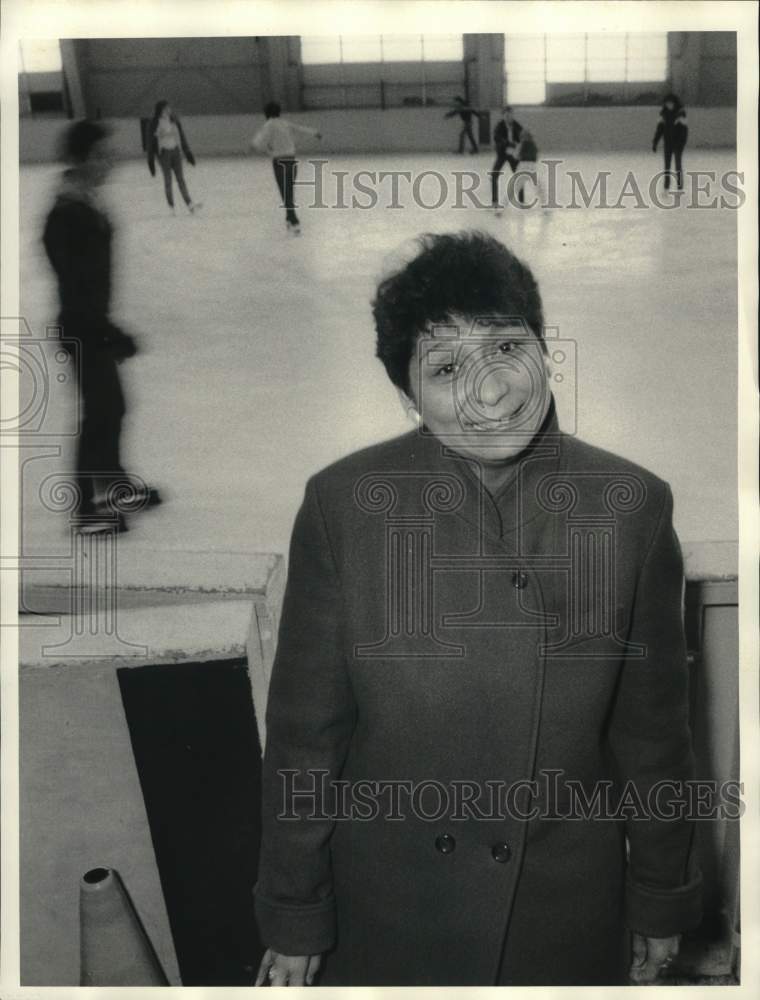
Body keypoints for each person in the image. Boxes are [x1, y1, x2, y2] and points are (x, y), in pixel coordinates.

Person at [253, 231, 702, 986]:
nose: (489, 391)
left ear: (543, 347)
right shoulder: (345, 507)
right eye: (446, 367)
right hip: (394, 905)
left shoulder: (632, 509)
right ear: (406, 396)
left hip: (558, 909)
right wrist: (297, 913)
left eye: (506, 348)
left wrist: (661, 897)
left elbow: (652, 737)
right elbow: (305, 740)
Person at [43, 120, 160, 533]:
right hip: (82, 327)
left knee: (113, 408)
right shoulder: (66, 215)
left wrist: (108, 326)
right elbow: (77, 286)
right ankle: (85, 511)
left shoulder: (85, 202)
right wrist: (104, 330)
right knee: (100, 414)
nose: (112, 161)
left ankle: (114, 486)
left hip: (92, 323)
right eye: (103, 155)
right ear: (83, 159)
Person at [250, 102, 322, 235]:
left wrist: (259, 147)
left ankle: (294, 219)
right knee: (289, 191)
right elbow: (300, 129)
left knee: (285, 191)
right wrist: (315, 133)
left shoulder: (269, 124)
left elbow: (258, 142)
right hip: (291, 160)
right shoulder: (285, 123)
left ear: (266, 113)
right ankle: (289, 217)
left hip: (279, 161)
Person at [147, 100, 202, 214]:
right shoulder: (155, 123)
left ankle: (190, 204)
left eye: (169, 108)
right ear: (161, 109)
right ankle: (171, 206)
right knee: (168, 180)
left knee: (181, 179)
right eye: (166, 108)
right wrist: (150, 159)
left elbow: (181, 137)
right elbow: (150, 141)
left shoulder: (174, 121)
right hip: (164, 154)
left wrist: (187, 152)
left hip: (175, 151)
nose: (169, 110)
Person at [652, 93, 688, 192]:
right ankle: (666, 187)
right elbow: (659, 129)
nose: (669, 105)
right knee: (666, 166)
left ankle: (680, 187)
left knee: (678, 165)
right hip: (668, 143)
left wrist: (681, 142)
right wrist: (655, 142)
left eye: (670, 103)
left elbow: (684, 130)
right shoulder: (663, 113)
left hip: (678, 144)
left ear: (674, 103)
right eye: (667, 103)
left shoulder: (681, 113)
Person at [491, 106, 523, 210]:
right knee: (494, 175)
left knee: (519, 175)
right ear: (503, 116)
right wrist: (508, 143)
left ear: (513, 115)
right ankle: (494, 202)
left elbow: (523, 137)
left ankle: (521, 201)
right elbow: (497, 137)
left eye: (510, 114)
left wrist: (519, 147)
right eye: (506, 115)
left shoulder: (517, 125)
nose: (509, 117)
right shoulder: (499, 126)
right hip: (502, 153)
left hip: (513, 154)